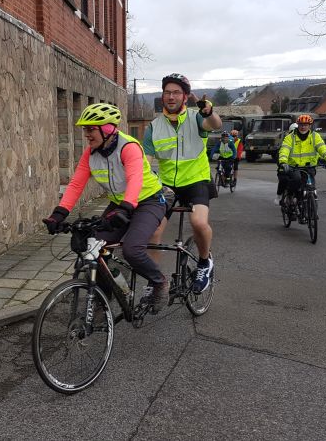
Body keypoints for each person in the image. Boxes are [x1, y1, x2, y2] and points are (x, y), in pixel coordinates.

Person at [43, 103, 170, 312]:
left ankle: (159, 283)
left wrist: (126, 208)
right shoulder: (91, 153)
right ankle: (107, 297)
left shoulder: (129, 147)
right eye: (85, 129)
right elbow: (76, 184)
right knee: (92, 245)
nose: (86, 134)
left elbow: (135, 179)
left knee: (132, 248)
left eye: (91, 128)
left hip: (148, 201)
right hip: (120, 203)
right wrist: (59, 214)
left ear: (108, 128)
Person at [141, 73, 222, 294]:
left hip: (196, 180)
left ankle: (205, 262)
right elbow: (145, 163)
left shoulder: (196, 117)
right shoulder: (154, 126)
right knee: (152, 231)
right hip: (167, 185)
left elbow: (215, 125)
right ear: (162, 96)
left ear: (185, 97)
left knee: (198, 222)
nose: (171, 96)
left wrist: (209, 112)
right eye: (167, 92)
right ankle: (154, 281)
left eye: (176, 92)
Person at [274, 113, 326, 207]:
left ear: (309, 126)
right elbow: (284, 150)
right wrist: (283, 162)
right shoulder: (290, 137)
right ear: (298, 125)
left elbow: (322, 148)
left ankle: (310, 207)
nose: (303, 127)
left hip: (310, 166)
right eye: (301, 125)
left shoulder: (315, 136)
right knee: (297, 180)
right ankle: (290, 196)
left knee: (310, 186)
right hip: (294, 167)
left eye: (306, 125)